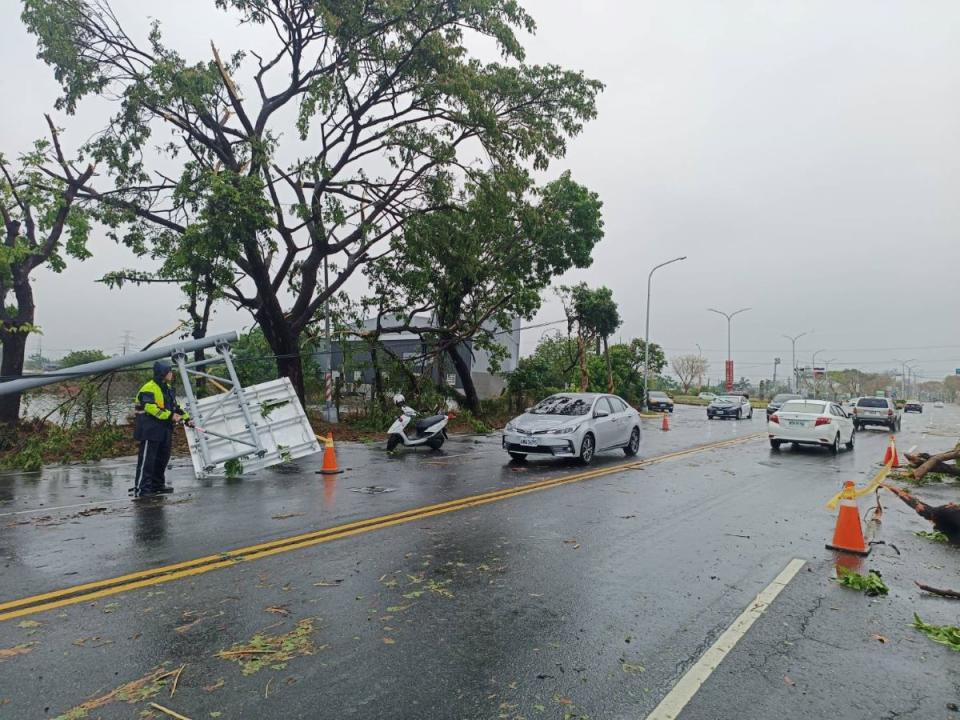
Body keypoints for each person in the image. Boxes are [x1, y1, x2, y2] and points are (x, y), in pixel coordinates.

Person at [133, 361, 190, 497]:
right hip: (149, 429)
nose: (171, 374)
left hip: (164, 429)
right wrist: (170, 415)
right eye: (169, 371)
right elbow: (150, 407)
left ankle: (157, 485)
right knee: (148, 460)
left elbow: (175, 407)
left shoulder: (168, 388)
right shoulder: (149, 388)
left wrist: (187, 418)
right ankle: (142, 489)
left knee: (162, 458)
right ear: (163, 373)